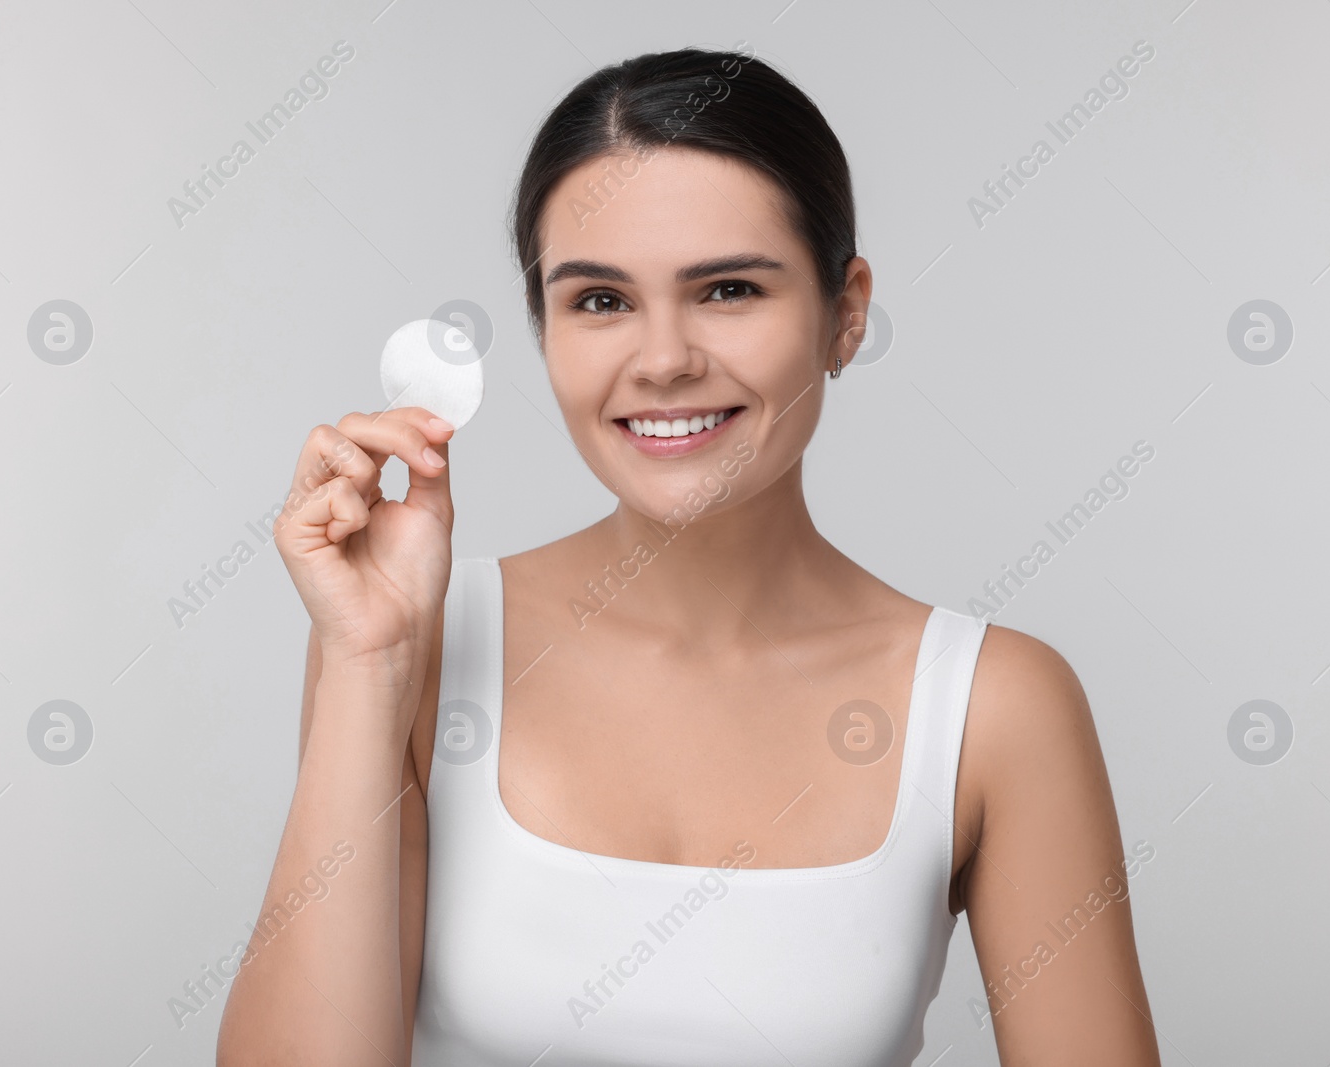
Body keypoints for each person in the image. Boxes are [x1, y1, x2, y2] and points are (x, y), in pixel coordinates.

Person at [217, 46, 1160, 1067]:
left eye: (726, 289)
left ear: (845, 313)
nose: (662, 359)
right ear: (543, 329)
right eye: (601, 301)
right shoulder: (416, 643)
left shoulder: (995, 704)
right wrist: (366, 661)